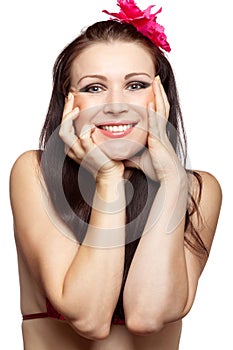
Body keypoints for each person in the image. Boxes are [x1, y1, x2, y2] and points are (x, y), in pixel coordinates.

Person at [9, 1, 222, 349]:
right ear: (68, 103)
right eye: (94, 88)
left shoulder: (198, 189)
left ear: (161, 98)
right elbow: (89, 318)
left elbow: (147, 315)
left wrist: (171, 182)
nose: (116, 103)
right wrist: (108, 180)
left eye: (136, 85)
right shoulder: (35, 173)